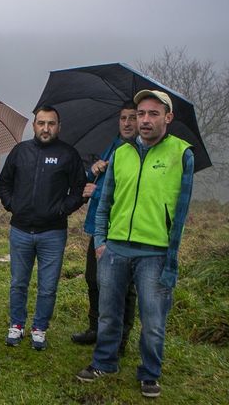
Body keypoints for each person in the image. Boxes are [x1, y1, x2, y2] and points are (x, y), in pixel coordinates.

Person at [76, 90, 194, 399]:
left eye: (153, 114)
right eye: (140, 113)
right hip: (115, 249)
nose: (144, 120)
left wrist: (171, 258)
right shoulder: (121, 154)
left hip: (154, 253)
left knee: (153, 320)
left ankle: (149, 373)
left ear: (167, 117)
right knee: (108, 313)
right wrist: (101, 242)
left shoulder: (182, 154)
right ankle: (104, 362)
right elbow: (105, 203)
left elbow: (180, 214)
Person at [0, 105, 86, 350]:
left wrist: (62, 209)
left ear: (59, 126)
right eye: (41, 123)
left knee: (48, 287)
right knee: (18, 283)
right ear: (34, 125)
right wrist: (12, 204)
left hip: (53, 233)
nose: (46, 128)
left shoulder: (68, 154)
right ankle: (16, 325)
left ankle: (39, 328)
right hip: (21, 231)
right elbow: (3, 183)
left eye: (51, 123)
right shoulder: (20, 151)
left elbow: (80, 189)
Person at [71, 101, 138, 356]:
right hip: (98, 226)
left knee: (124, 286)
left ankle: (120, 338)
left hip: (121, 229)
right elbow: (94, 181)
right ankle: (95, 328)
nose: (128, 123)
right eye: (123, 118)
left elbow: (131, 192)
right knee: (93, 279)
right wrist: (93, 171)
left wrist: (98, 188)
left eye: (133, 117)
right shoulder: (113, 145)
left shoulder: (139, 151)